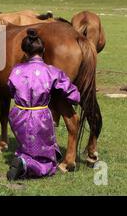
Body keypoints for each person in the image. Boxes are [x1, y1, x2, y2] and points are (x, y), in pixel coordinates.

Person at [6, 29, 81, 181]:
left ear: (25, 52)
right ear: (44, 50)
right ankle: (26, 164)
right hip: (39, 117)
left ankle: (23, 157)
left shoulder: (16, 70)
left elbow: (10, 88)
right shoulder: (51, 71)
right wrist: (75, 98)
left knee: (27, 145)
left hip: (18, 115)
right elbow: (68, 89)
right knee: (48, 163)